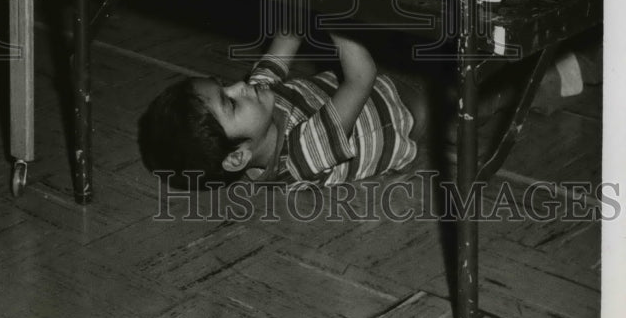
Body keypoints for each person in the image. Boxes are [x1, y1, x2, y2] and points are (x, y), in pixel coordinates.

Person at [139, 30, 427, 188]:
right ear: (238, 157)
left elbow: (286, 40)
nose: (239, 86)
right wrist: (337, 15)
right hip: (400, 117)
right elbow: (361, 77)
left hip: (367, 88)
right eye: (230, 102)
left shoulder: (256, 103)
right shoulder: (301, 155)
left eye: (224, 85)